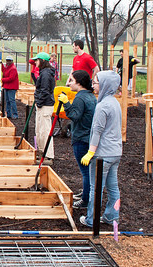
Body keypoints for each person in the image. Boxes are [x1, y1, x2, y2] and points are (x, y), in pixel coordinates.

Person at [79, 70, 123, 228]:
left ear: (105, 85)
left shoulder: (102, 106)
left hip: (102, 154)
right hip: (115, 152)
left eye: (96, 82)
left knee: (95, 188)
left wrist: (90, 153)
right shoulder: (115, 103)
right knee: (113, 187)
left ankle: (91, 219)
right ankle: (112, 216)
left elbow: (97, 131)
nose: (93, 85)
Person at [60, 70, 97, 209]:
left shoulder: (80, 98)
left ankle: (86, 200)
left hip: (82, 138)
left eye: (71, 81)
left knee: (86, 171)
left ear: (79, 83)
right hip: (89, 136)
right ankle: (86, 192)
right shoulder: (90, 96)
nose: (69, 83)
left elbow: (75, 116)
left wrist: (66, 104)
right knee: (88, 171)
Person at [32, 52, 56, 163]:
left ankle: (48, 155)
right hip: (43, 103)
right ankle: (42, 152)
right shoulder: (44, 72)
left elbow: (45, 90)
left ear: (42, 61)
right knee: (40, 130)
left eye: (37, 60)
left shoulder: (46, 74)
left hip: (45, 105)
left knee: (45, 130)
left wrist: (39, 101)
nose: (35, 62)